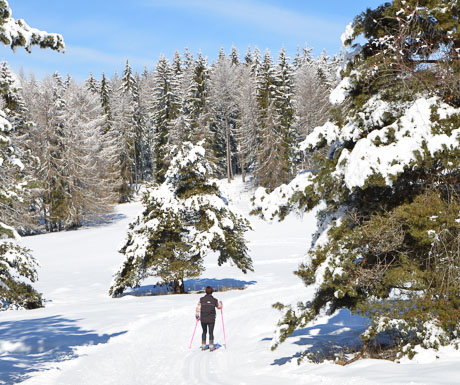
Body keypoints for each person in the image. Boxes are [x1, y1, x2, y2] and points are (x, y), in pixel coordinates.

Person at [195, 286, 222, 351]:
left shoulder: (201, 299)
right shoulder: (214, 300)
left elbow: (198, 308)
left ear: (205, 292)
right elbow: (219, 307)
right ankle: (211, 346)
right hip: (211, 319)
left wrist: (197, 316)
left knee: (204, 332)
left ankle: (203, 346)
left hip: (203, 319)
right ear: (212, 292)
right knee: (211, 332)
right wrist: (221, 303)